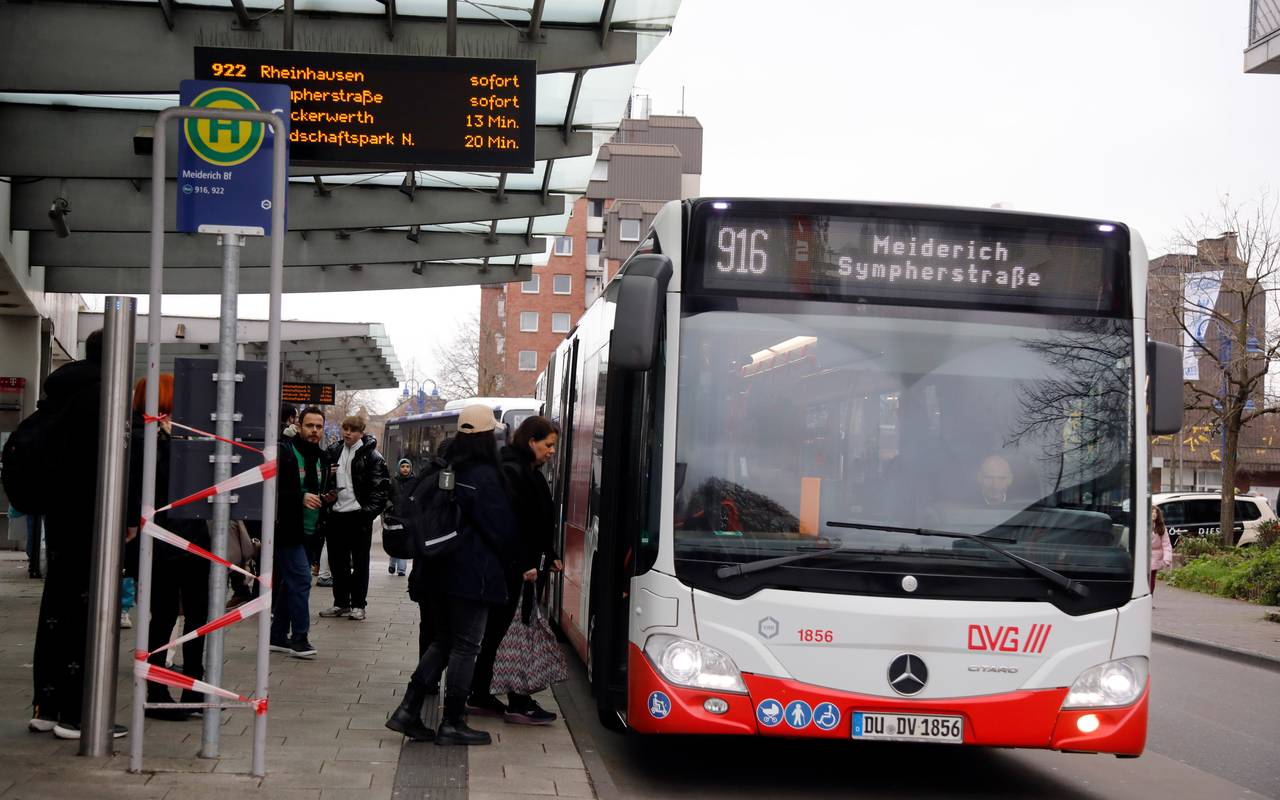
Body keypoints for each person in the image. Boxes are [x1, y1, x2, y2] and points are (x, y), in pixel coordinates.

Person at [386, 405, 518, 746]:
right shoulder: (485, 476)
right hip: (471, 575)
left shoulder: (446, 466)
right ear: (490, 436)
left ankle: (408, 711)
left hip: (436, 571)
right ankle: (453, 722)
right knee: (466, 646)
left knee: (444, 640)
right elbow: (500, 529)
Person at [30, 329, 127, 740]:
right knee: (90, 613)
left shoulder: (57, 389)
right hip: (94, 515)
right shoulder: (105, 393)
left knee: (56, 609)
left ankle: (46, 708)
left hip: (60, 513)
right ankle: (78, 714)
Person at [125, 374, 213, 721]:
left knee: (187, 613)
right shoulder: (147, 439)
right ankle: (163, 688)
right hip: (168, 540)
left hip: (183, 538)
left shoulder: (164, 437)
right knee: (169, 614)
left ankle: (190, 683)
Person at [468, 415, 562, 725]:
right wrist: (525, 563)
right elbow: (513, 524)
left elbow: (535, 521)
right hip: (516, 571)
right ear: (531, 441)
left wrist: (550, 553)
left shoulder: (525, 470)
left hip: (522, 566)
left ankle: (480, 693)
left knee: (499, 634)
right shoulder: (515, 472)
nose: (551, 452)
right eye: (548, 445)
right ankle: (518, 701)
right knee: (514, 635)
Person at [319, 415, 391, 621]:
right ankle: (340, 603)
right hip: (336, 515)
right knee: (337, 562)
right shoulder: (333, 452)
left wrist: (366, 513)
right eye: (345, 428)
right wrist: (327, 477)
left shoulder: (373, 457)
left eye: (353, 430)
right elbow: (320, 482)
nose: (348, 433)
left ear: (361, 432)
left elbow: (381, 489)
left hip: (358, 517)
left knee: (360, 562)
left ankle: (359, 605)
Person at [270, 406, 324, 659]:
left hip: (312, 530)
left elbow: (320, 489)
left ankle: (277, 635)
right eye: (310, 425)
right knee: (302, 580)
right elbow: (272, 491)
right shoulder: (286, 452)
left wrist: (328, 497)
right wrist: (301, 498)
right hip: (287, 529)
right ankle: (299, 639)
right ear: (299, 426)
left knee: (289, 583)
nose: (314, 431)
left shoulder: (322, 458)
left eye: (319, 426)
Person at [388, 458, 414, 576]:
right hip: (394, 517)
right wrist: (390, 507)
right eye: (403, 466)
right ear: (399, 468)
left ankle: (402, 569)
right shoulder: (393, 481)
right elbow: (386, 497)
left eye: (407, 467)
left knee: (404, 542)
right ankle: (393, 563)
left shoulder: (414, 482)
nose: (405, 469)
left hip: (408, 517)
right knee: (395, 541)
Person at [1150, 506, 1173, 595]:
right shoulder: (1142, 525)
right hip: (1143, 556)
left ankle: (1149, 598)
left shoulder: (1161, 528)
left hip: (1155, 557)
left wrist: (1167, 559)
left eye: (1156, 512)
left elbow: (1166, 545)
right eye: (1152, 512)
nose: (1154, 514)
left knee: (1151, 578)